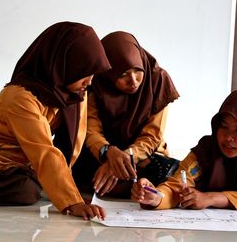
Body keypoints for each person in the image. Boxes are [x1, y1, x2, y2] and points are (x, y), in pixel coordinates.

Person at [0, 21, 111, 220]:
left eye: (93, 74)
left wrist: (70, 193)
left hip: (9, 162)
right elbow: (44, 151)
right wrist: (72, 201)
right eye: (84, 72)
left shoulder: (74, 93)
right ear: (62, 65)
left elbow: (73, 146)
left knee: (27, 191)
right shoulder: (21, 97)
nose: (89, 81)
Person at [131, 89, 237, 210]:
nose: (229, 137)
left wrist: (210, 198)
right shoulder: (207, 151)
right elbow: (175, 187)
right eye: (223, 127)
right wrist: (155, 197)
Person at [72, 31, 180, 198]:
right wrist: (108, 152)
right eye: (122, 75)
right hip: (103, 151)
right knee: (73, 165)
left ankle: (119, 185)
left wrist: (123, 159)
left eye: (138, 70)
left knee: (163, 171)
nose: (134, 81)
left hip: (143, 154)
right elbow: (91, 130)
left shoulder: (157, 79)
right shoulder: (96, 82)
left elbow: (152, 136)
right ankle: (126, 186)